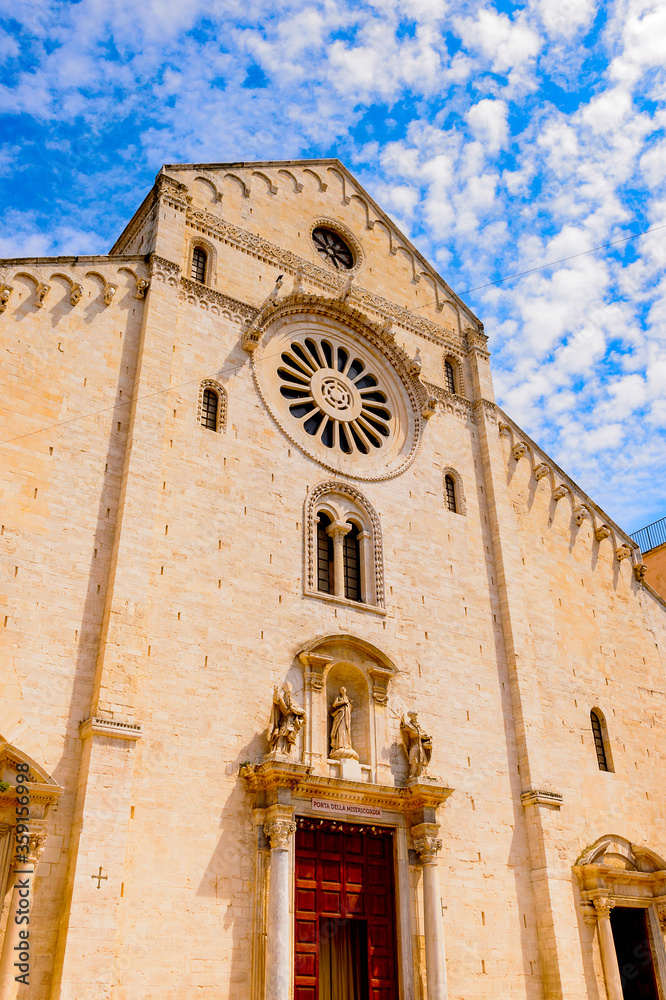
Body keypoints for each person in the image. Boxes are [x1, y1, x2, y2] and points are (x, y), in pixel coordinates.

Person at [267, 682, 305, 756]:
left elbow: (299, 710)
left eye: (289, 694)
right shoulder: (282, 700)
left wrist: (294, 709)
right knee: (281, 734)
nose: (288, 695)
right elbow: (276, 701)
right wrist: (275, 693)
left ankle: (286, 750)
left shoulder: (293, 702)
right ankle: (278, 748)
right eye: (287, 694)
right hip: (284, 720)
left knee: (288, 737)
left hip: (291, 722)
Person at [400, 711, 433, 777]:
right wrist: (402, 720)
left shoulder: (418, 726)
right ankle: (412, 774)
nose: (415, 717)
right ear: (411, 716)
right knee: (414, 759)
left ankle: (420, 774)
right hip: (414, 744)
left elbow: (423, 733)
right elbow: (403, 727)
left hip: (420, 745)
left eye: (416, 716)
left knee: (422, 760)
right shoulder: (409, 725)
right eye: (414, 715)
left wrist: (426, 737)